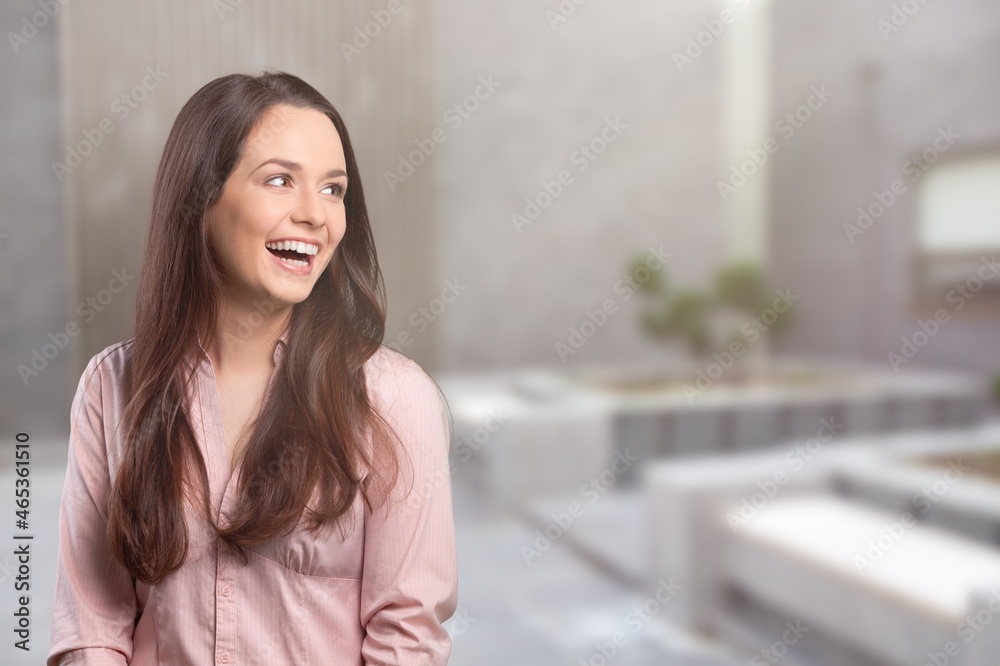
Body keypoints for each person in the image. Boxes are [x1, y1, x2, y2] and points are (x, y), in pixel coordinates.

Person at [47, 71, 459, 665]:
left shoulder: (393, 399)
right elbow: (92, 625)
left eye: (334, 189)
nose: (316, 216)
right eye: (280, 180)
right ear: (200, 198)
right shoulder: (111, 387)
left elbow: (407, 640)